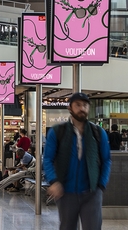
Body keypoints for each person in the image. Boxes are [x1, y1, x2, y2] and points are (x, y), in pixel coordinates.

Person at [44, 92, 112, 230]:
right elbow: (47, 159)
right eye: (78, 105)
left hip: (92, 192)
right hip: (66, 192)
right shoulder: (58, 131)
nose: (82, 108)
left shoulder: (98, 132)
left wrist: (101, 186)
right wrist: (54, 181)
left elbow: (106, 160)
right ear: (70, 108)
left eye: (85, 105)